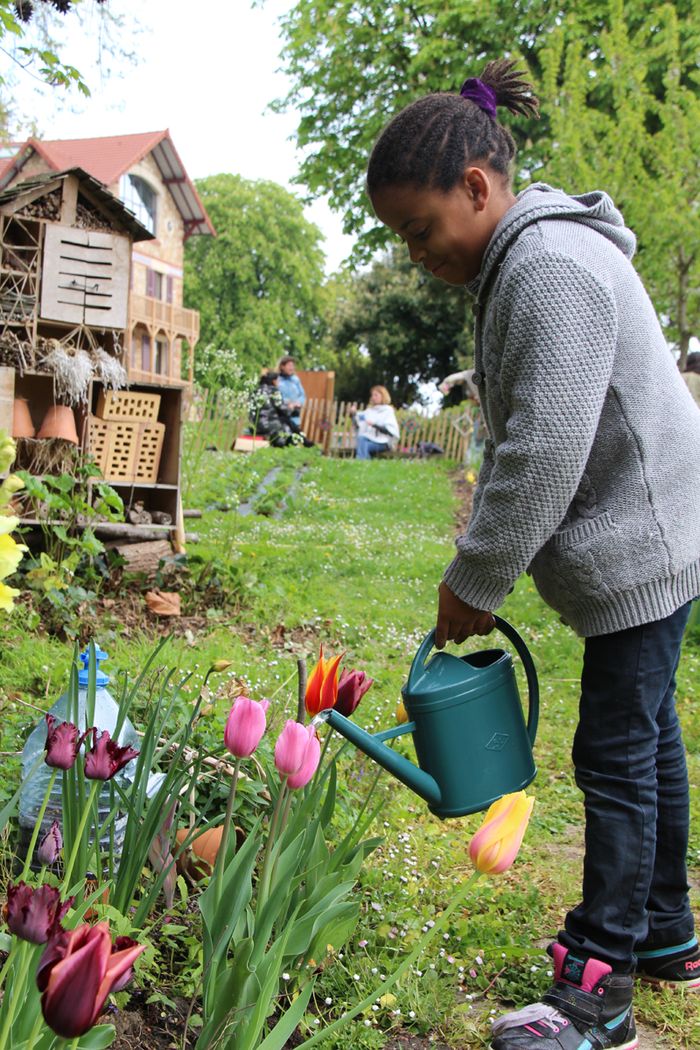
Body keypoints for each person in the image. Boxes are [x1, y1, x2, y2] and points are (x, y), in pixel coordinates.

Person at [367, 58, 700, 1050]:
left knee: (613, 753)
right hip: (664, 526)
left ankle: (597, 985)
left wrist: (474, 581)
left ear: (477, 187)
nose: (419, 256)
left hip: (648, 532)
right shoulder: (528, 258)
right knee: (646, 738)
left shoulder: (547, 266)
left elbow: (542, 452)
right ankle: (670, 936)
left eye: (421, 231)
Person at [249, 371, 313, 448]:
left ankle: (304, 440)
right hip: (270, 423)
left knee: (286, 421)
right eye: (278, 380)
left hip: (255, 423)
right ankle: (303, 440)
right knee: (287, 420)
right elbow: (283, 410)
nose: (279, 382)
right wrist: (291, 407)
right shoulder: (274, 391)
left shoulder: (256, 390)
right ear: (274, 381)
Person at [348, 385, 400, 460]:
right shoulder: (369, 412)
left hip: (383, 443)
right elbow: (358, 423)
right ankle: (364, 463)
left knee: (362, 444)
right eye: (372, 395)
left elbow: (391, 431)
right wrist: (353, 414)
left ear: (383, 396)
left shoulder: (388, 411)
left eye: (376, 395)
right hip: (369, 441)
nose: (373, 397)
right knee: (362, 441)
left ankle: (360, 463)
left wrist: (375, 425)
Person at [276, 355, 306, 426]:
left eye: (293, 366)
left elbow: (302, 395)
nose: (292, 368)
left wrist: (298, 402)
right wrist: (287, 403)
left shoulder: (295, 380)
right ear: (282, 367)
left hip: (294, 417)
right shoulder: (277, 380)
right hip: (280, 417)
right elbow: (274, 396)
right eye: (289, 365)